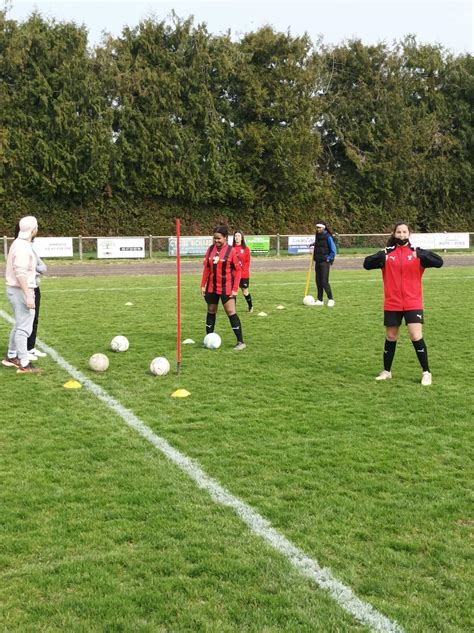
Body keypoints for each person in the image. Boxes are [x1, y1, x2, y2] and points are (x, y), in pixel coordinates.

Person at [363, 221, 443, 386]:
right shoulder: (387, 254)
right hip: (392, 303)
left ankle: (426, 372)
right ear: (394, 234)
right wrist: (381, 256)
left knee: (415, 335)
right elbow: (366, 264)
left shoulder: (416, 253)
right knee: (391, 336)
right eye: (398, 232)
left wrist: (421, 254)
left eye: (404, 232)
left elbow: (439, 262)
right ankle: (386, 371)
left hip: (413, 302)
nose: (401, 235)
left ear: (409, 234)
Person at [2, 215, 41, 373]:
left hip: (14, 290)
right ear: (33, 230)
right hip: (20, 290)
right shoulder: (23, 247)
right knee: (24, 328)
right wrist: (28, 295)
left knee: (19, 324)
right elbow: (20, 273)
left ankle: (12, 356)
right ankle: (24, 364)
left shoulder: (18, 243)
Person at [201, 225, 246, 351]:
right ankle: (208, 339)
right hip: (211, 287)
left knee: (231, 312)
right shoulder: (210, 249)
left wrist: (235, 289)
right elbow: (207, 269)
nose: (216, 241)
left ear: (225, 238)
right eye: (215, 238)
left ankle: (240, 342)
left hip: (227, 287)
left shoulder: (231, 251)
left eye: (219, 238)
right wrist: (202, 285)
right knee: (211, 311)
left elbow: (238, 271)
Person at [14, 222, 47, 361]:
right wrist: (35, 269)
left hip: (34, 287)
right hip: (26, 288)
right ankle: (23, 351)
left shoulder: (30, 247)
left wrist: (36, 268)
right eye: (35, 229)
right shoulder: (21, 247)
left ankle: (31, 348)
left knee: (34, 319)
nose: (36, 231)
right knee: (25, 321)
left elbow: (42, 266)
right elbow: (35, 268)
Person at [312, 221, 337, 306]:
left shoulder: (328, 236)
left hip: (325, 262)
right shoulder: (317, 235)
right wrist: (313, 244)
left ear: (323, 228)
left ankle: (331, 299)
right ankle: (320, 300)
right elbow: (320, 244)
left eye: (319, 227)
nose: (318, 229)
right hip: (318, 261)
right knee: (318, 281)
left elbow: (333, 250)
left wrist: (328, 258)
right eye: (317, 227)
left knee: (324, 281)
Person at [232, 230, 253, 312]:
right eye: (235, 236)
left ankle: (250, 307)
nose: (237, 237)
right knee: (233, 291)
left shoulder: (245, 249)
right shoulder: (231, 248)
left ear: (242, 238)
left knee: (245, 291)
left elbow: (247, 262)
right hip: (233, 274)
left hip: (243, 275)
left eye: (238, 236)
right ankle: (233, 309)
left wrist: (242, 273)